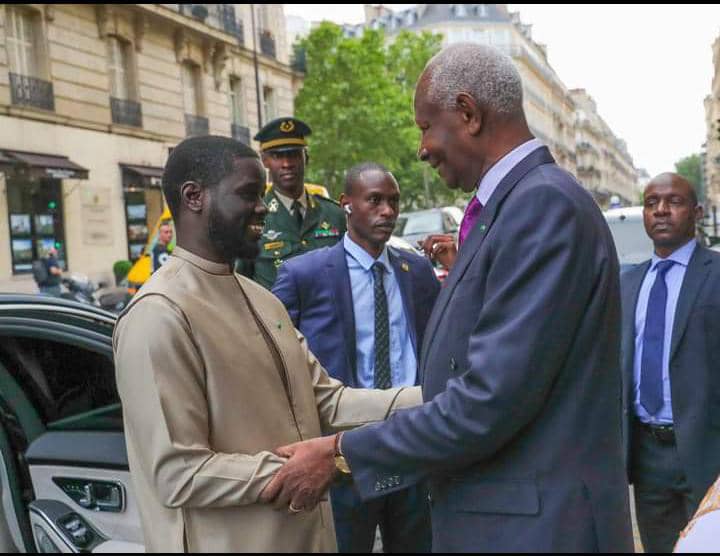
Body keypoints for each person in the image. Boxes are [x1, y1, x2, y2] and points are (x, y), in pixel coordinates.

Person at [262, 44, 634, 552]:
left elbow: (487, 400)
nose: (421, 148)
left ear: (467, 113)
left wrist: (341, 453)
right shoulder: (510, 205)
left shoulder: (540, 205)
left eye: (425, 126)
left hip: (536, 530)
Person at [112, 136, 421, 552]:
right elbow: (177, 472)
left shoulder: (263, 299)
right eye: (248, 195)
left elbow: (328, 405)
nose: (262, 207)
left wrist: (436, 396)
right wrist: (309, 466)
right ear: (194, 197)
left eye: (262, 195)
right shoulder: (158, 315)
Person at [272, 162, 439, 553]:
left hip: (409, 444)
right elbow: (276, 358)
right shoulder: (304, 274)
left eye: (393, 202)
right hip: (342, 451)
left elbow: (436, 345)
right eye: (375, 201)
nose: (387, 212)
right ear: (347, 204)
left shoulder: (415, 270)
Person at [620, 173, 720, 553]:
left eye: (673, 202)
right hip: (647, 457)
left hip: (709, 453)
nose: (661, 210)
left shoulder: (716, 273)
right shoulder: (629, 285)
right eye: (651, 203)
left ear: (696, 212)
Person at [241, 116, 346, 289]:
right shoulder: (251, 220)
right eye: (278, 156)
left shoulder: (335, 215)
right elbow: (242, 284)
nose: (287, 164)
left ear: (306, 158)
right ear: (265, 161)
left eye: (294, 155)